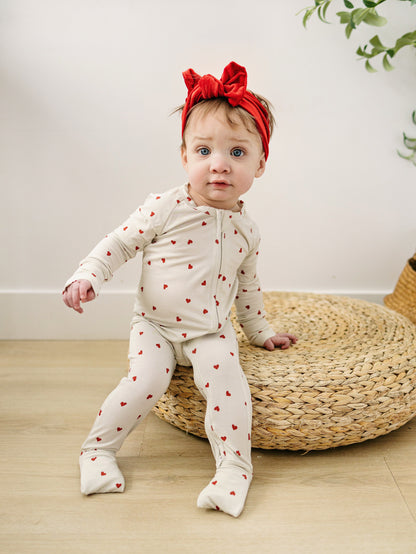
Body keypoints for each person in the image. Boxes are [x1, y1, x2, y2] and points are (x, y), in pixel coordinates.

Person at [62, 61, 297, 518]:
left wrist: (261, 332)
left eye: (237, 152)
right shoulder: (165, 207)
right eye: (204, 150)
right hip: (154, 326)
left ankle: (234, 470)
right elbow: (119, 243)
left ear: (260, 163)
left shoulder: (248, 230)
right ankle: (98, 451)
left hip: (211, 330)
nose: (219, 164)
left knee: (230, 387)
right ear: (185, 157)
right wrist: (89, 275)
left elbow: (248, 288)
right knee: (146, 381)